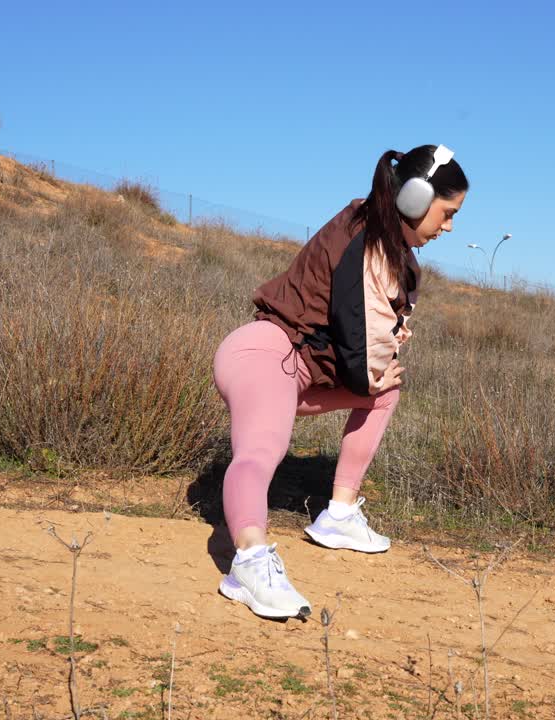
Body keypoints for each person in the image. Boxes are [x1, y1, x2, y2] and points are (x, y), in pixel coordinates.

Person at [211, 144, 469, 619]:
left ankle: (340, 516)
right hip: (265, 355)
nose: (449, 226)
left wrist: (379, 367)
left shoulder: (386, 243)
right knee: (262, 449)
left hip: (298, 374)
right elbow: (361, 339)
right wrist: (373, 369)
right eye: (448, 213)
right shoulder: (369, 242)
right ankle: (248, 562)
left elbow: (372, 340)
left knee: (385, 389)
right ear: (414, 199)